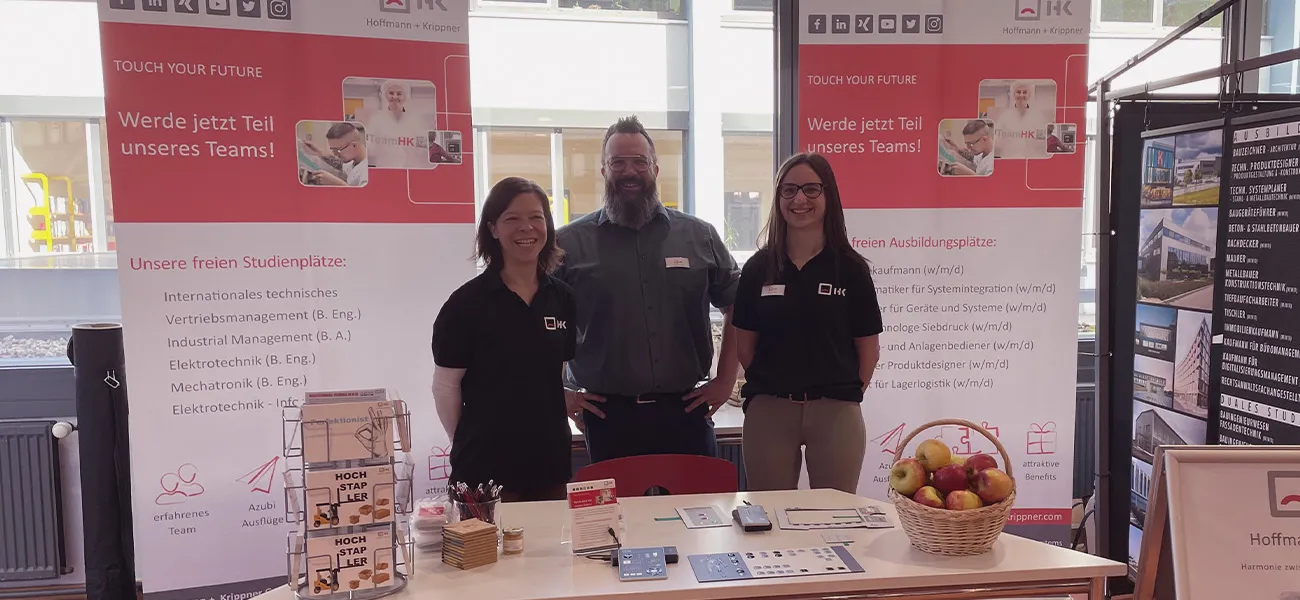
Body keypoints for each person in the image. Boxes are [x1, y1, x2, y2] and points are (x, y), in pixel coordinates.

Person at [555, 115, 741, 463]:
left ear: (655, 169)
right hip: (607, 416)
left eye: (640, 162)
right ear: (603, 171)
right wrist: (557, 391)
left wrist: (725, 380)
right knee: (616, 502)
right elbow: (539, 320)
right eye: (618, 163)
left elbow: (737, 305)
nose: (630, 171)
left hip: (687, 410)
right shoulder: (568, 244)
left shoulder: (699, 236)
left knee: (700, 500)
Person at [732, 153, 882, 494]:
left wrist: (838, 396)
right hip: (769, 411)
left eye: (811, 189)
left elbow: (868, 351)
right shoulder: (758, 269)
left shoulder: (851, 269)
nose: (799, 199)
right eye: (789, 190)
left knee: (835, 515)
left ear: (829, 195)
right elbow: (745, 348)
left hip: (835, 411)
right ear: (778, 199)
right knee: (769, 515)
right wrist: (780, 385)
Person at [431, 177, 576, 502]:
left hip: (550, 466)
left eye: (536, 217)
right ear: (493, 228)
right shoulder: (466, 304)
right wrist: (465, 442)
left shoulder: (563, 298)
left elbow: (553, 375)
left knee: (552, 538)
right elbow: (445, 387)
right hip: (484, 472)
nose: (527, 228)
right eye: (512, 218)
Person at [312, 122, 368, 187]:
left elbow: (364, 193)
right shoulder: (355, 161)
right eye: (333, 150)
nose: (335, 154)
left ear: (354, 145)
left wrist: (335, 182)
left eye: (337, 150)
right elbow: (340, 165)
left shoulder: (368, 170)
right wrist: (319, 152)